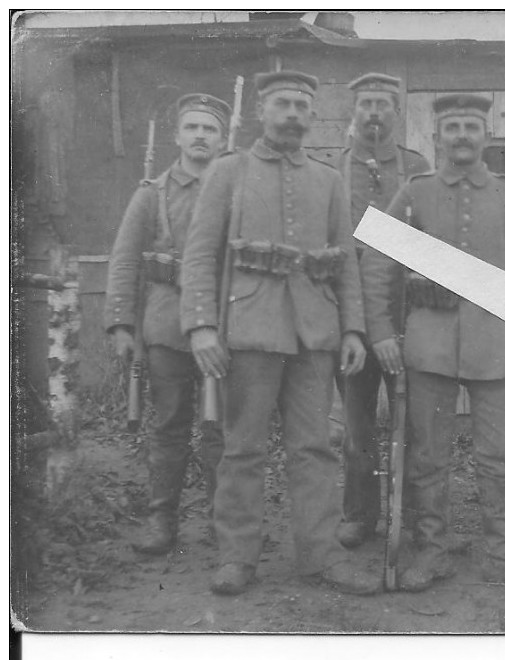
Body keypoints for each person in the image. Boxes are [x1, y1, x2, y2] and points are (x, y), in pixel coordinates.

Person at [179, 71, 375, 596]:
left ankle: (321, 555)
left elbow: (346, 265)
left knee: (316, 447)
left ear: (312, 117)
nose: (292, 114)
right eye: (282, 104)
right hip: (248, 330)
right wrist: (201, 325)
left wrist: (352, 329)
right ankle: (237, 558)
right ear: (263, 111)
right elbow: (199, 253)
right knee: (242, 448)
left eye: (301, 106)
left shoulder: (329, 179)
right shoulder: (228, 172)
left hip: (315, 333)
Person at [360, 93, 505, 593]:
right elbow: (379, 266)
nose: (462, 135)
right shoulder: (415, 192)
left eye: (471, 125)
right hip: (430, 343)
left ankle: (502, 553)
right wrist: (380, 331)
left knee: (502, 455)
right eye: (452, 127)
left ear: (485, 135)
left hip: (496, 343)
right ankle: (433, 549)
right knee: (427, 454)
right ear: (438, 137)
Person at [104, 93, 230, 555]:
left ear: (223, 139)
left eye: (210, 129)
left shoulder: (233, 188)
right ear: (178, 136)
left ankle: (224, 523)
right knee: (170, 426)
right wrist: (121, 324)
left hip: (220, 329)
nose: (200, 135)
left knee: (220, 428)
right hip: (165, 328)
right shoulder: (150, 194)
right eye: (192, 127)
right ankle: (162, 522)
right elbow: (123, 261)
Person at [333, 72, 430, 549]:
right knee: (357, 425)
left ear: (396, 112)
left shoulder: (416, 168)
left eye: (383, 104)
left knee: (411, 422)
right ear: (354, 110)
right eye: (366, 102)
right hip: (349, 318)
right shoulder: (333, 171)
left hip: (404, 316)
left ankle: (410, 514)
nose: (374, 111)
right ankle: (359, 513)